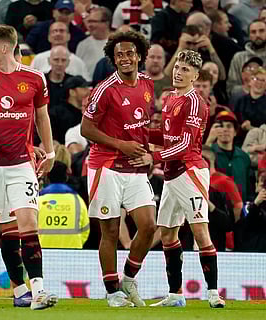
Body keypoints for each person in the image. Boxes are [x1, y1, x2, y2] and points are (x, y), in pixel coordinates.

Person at [0, 24, 57, 310]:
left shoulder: (35, 78)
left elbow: (42, 117)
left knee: (29, 224)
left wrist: (50, 151)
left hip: (21, 164)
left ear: (4, 47)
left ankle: (38, 291)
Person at [130, 49, 225, 308]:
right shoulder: (171, 98)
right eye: (177, 67)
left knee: (200, 231)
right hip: (172, 174)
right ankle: (175, 295)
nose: (178, 72)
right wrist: (143, 134)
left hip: (190, 171)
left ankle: (214, 293)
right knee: (169, 235)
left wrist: (154, 157)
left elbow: (184, 145)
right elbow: (168, 134)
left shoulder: (195, 103)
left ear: (195, 75)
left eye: (185, 70)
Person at [80, 30, 157, 307]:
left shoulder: (148, 85)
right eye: (119, 55)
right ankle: (112, 291)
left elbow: (143, 128)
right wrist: (121, 145)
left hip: (135, 167)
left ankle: (128, 277)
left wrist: (149, 154)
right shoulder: (104, 89)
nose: (125, 58)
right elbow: (86, 129)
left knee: (148, 226)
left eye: (129, 53)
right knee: (110, 231)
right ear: (114, 59)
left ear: (139, 56)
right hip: (106, 166)